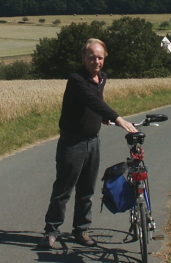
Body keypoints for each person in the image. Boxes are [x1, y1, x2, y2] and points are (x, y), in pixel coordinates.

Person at [39, 38, 138, 248]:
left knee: (87, 190)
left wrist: (102, 118)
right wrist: (118, 118)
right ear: (84, 58)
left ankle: (81, 230)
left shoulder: (102, 78)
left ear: (105, 58)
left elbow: (96, 102)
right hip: (72, 142)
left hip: (93, 141)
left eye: (100, 57)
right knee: (63, 189)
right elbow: (90, 99)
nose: (96, 61)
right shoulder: (77, 79)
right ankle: (51, 231)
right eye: (92, 57)